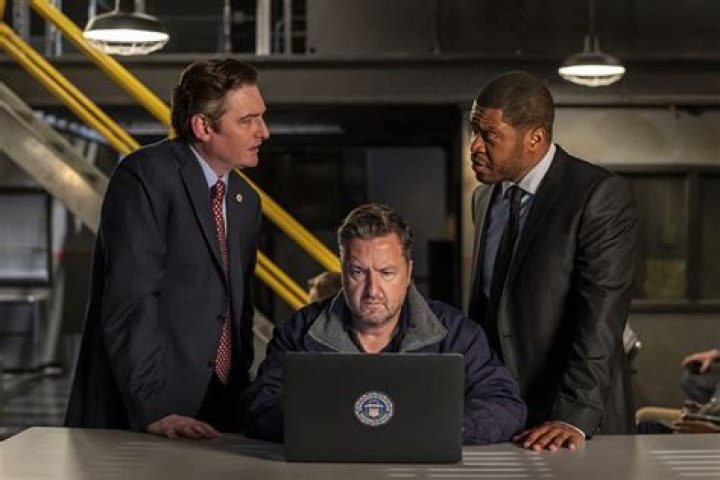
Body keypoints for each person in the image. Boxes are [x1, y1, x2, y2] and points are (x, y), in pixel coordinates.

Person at [65, 59, 270, 439]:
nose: (264, 131)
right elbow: (131, 299)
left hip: (220, 406)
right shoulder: (146, 175)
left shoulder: (245, 199)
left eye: (262, 117)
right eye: (248, 120)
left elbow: (237, 308)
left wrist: (240, 399)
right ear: (203, 126)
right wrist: (153, 408)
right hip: (149, 410)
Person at [242, 203, 526, 445]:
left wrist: (440, 428)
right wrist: (336, 426)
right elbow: (261, 405)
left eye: (386, 272)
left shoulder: (456, 334)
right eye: (358, 272)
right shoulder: (299, 332)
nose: (372, 290)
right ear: (342, 271)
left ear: (408, 272)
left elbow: (504, 404)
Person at [466, 71, 640, 451]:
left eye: (489, 136)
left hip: (572, 419)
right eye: (473, 131)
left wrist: (573, 416)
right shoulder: (484, 199)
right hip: (502, 412)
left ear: (535, 138)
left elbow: (600, 318)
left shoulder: (598, 195)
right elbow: (485, 310)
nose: (474, 146)